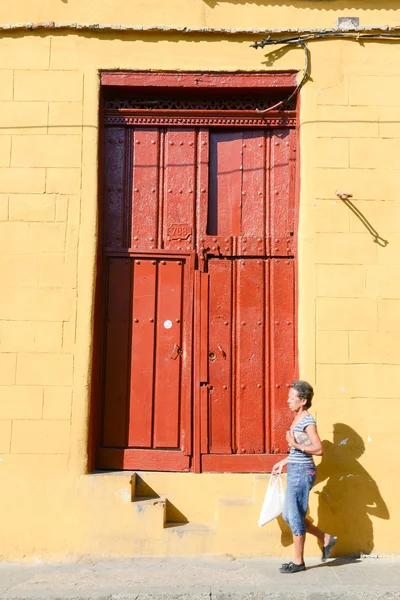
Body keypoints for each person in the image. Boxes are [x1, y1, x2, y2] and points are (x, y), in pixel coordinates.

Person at [272, 380, 337, 573]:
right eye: (289, 397)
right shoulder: (297, 419)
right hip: (295, 468)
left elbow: (318, 449)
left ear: (303, 400)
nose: (288, 400)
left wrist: (295, 444)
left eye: (292, 397)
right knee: (289, 515)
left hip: (302, 472)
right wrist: (284, 461)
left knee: (294, 515)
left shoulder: (308, 421)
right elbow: (298, 451)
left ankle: (298, 562)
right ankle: (325, 538)